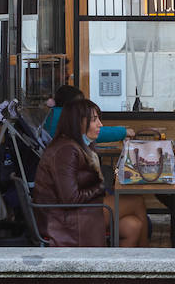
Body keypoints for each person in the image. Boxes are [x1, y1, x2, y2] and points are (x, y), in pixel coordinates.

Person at [33, 99, 147, 247]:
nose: (100, 124)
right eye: (94, 120)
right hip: (62, 217)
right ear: (77, 123)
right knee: (137, 201)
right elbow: (70, 199)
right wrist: (100, 187)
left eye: (99, 119)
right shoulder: (65, 151)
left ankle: (119, 268)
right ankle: (150, 261)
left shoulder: (76, 145)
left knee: (132, 225)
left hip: (73, 211)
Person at [42, 85, 132, 142]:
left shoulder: (53, 113)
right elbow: (94, 132)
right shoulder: (67, 115)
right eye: (80, 102)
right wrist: (123, 132)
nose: (84, 105)